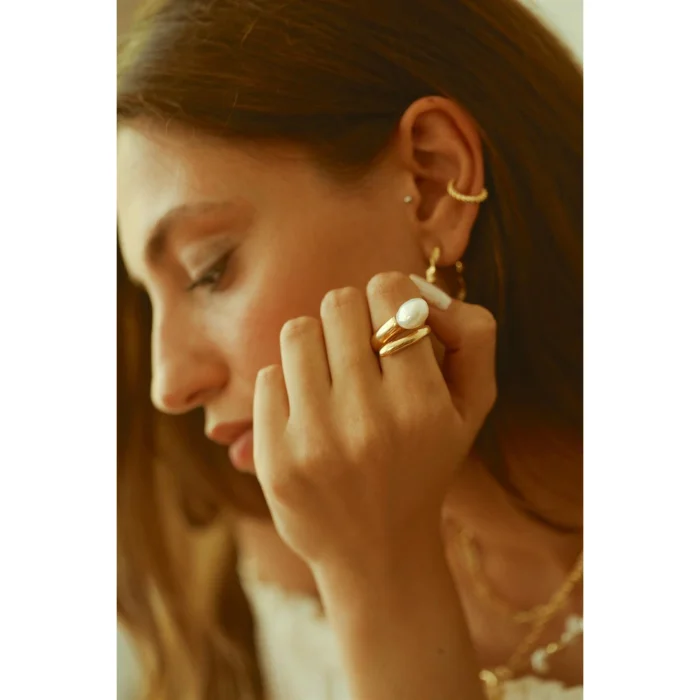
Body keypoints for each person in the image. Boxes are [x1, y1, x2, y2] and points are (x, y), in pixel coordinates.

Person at [116, 0, 583, 698]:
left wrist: (377, 566)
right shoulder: (267, 538)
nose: (170, 385)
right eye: (150, 299)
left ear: (432, 183)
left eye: (209, 270)